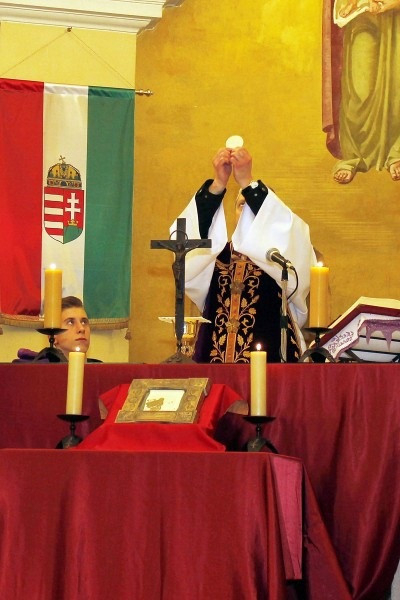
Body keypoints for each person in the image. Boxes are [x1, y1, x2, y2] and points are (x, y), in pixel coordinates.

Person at [171, 147, 317, 363]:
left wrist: (248, 182)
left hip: (273, 361)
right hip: (213, 361)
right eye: (241, 205)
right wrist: (217, 185)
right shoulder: (214, 256)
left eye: (254, 207)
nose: (247, 211)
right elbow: (188, 245)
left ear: (269, 218)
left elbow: (295, 241)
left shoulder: (280, 258)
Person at [323, 0, 400, 183]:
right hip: (361, 16)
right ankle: (352, 155)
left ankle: (395, 152)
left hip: (395, 17)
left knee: (396, 87)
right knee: (360, 90)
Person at [14, 296, 102, 363]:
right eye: (70, 322)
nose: (81, 328)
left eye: (84, 322)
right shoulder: (41, 371)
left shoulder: (101, 370)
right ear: (53, 336)